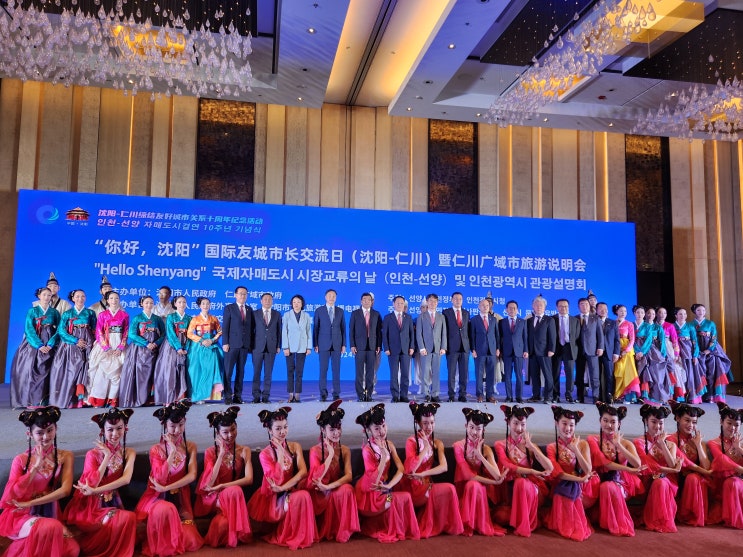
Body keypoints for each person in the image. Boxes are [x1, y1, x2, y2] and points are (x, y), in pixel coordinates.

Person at [0, 406, 79, 557]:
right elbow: (12, 494)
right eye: (39, 433)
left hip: (49, 509)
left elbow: (65, 490)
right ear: (29, 434)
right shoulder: (21, 460)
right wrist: (34, 469)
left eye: (50, 430)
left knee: (72, 550)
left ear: (56, 429)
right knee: (49, 529)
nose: (45, 436)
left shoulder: (65, 456)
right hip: (22, 512)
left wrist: (31, 502)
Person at [64, 408, 137, 557]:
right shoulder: (92, 454)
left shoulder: (129, 452)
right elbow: (92, 484)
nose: (115, 434)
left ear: (126, 428)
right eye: (110, 429)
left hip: (111, 500)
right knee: (124, 519)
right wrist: (106, 456)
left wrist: (95, 491)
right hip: (91, 505)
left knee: (128, 518)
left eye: (119, 428)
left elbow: (126, 479)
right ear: (103, 431)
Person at [135, 400, 203, 556]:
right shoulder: (156, 449)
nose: (177, 430)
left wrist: (168, 487)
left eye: (181, 425)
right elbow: (160, 478)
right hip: (158, 497)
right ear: (165, 425)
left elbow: (192, 475)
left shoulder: (190, 446)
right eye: (172, 426)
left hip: (179, 498)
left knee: (190, 538)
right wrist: (171, 453)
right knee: (165, 521)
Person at [247, 407, 317, 549]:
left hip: (287, 488)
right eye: (278, 429)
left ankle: (300, 535)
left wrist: (285, 487)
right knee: (301, 496)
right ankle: (289, 535)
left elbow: (303, 472)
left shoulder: (294, 446)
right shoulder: (264, 454)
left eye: (285, 427)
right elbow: (276, 481)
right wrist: (279, 454)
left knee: (304, 495)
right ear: (270, 430)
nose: (283, 432)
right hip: (273, 496)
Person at [354, 404, 420, 542]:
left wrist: (390, 485)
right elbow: (373, 480)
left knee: (404, 496)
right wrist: (383, 458)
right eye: (377, 428)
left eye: (383, 426)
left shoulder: (389, 444)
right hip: (371, 493)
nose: (382, 431)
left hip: (384, 487)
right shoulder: (368, 450)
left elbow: (401, 469)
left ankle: (403, 529)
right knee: (392, 499)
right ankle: (386, 527)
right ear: (369, 430)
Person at [399, 402, 463, 538]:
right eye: (425, 423)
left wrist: (423, 474)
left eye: (432, 423)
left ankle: (444, 524)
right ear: (418, 423)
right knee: (449, 489)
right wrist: (425, 449)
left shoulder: (437, 442)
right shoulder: (411, 441)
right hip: (412, 487)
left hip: (425, 483)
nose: (429, 427)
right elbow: (410, 469)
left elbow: (444, 467)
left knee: (450, 489)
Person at [195, 406, 253, 548]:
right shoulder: (211, 452)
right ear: (217, 433)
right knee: (235, 490)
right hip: (213, 495)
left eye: (233, 429)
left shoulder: (244, 450)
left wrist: (223, 486)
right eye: (225, 432)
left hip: (231, 493)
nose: (230, 435)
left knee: (233, 496)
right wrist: (220, 455)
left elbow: (249, 479)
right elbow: (209, 483)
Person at [585, 402, 643, 536]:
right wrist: (628, 469)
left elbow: (637, 463)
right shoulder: (593, 439)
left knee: (608, 487)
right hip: (597, 480)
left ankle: (615, 523)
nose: (609, 425)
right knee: (602, 486)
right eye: (605, 421)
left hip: (620, 481)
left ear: (619, 424)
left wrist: (619, 446)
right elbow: (604, 462)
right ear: (600, 421)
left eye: (613, 422)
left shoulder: (626, 443)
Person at [305, 400, 360, 542]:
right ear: (323, 430)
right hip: (319, 493)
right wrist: (329, 456)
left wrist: (329, 486)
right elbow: (316, 478)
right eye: (332, 429)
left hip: (331, 487)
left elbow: (349, 476)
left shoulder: (344, 450)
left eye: (339, 428)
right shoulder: (315, 451)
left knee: (348, 489)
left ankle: (343, 531)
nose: (336, 433)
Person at [493, 405, 552, 537]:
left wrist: (532, 447)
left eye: (523, 424)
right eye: (515, 423)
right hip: (510, 489)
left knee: (522, 483)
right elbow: (507, 465)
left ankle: (525, 523)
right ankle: (523, 518)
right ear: (508, 422)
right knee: (501, 517)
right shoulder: (500, 444)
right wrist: (532, 471)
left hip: (530, 487)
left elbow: (549, 467)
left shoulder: (529, 445)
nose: (519, 428)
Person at [451, 407, 504, 537]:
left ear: (483, 430)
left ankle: (476, 524)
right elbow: (468, 475)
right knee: (472, 484)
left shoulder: (486, 449)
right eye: (471, 427)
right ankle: (468, 524)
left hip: (481, 488)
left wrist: (481, 457)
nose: (474, 432)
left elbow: (497, 475)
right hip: (464, 488)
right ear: (466, 426)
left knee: (474, 485)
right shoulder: (459, 446)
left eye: (478, 429)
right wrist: (494, 482)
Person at [545, 406, 593, 541]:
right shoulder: (552, 447)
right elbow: (558, 473)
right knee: (563, 490)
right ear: (557, 423)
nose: (568, 428)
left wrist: (576, 450)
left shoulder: (582, 444)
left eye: (571, 425)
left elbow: (588, 470)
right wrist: (578, 480)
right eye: (564, 424)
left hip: (583, 484)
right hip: (564, 483)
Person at [633, 404, 681, 533]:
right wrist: (672, 470)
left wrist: (662, 445)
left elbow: (672, 464)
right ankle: (655, 520)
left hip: (667, 482)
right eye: (653, 422)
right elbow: (647, 465)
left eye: (661, 423)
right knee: (660, 481)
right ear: (646, 421)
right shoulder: (639, 442)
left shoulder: (670, 444)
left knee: (661, 482)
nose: (657, 426)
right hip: (646, 479)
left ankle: (660, 520)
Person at [10, 286, 61, 409]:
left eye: (49, 295)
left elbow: (59, 329)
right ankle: (28, 400)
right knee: (29, 368)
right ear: (39, 296)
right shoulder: (32, 311)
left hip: (50, 342)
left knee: (50, 370)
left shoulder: (54, 312)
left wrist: (50, 344)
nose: (46, 297)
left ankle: (46, 400)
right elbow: (29, 329)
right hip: (34, 342)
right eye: (44, 295)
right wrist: (39, 345)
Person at [667, 401, 712, 527]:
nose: (691, 425)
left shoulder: (698, 441)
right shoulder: (670, 439)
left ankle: (694, 514)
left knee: (694, 478)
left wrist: (698, 445)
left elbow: (706, 466)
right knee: (693, 477)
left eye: (694, 422)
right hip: (677, 477)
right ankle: (685, 513)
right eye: (687, 420)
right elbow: (682, 463)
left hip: (694, 479)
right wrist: (704, 471)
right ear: (677, 418)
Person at [49, 289, 96, 408]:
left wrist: (92, 343)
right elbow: (61, 331)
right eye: (77, 296)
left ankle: (81, 397)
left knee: (85, 369)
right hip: (71, 345)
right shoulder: (67, 314)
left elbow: (95, 329)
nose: (80, 299)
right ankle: (70, 398)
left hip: (87, 344)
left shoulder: (90, 313)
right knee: (71, 370)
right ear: (73, 298)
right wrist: (75, 341)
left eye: (83, 296)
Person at [119, 295, 166, 407]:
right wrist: (146, 343)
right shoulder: (137, 318)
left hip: (154, 350)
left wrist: (156, 343)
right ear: (141, 304)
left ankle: (151, 398)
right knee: (139, 374)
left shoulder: (157, 319)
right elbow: (132, 334)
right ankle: (139, 398)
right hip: (139, 350)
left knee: (153, 373)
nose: (149, 305)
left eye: (151, 303)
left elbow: (164, 334)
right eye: (146, 303)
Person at [87, 290, 129, 408]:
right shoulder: (102, 315)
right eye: (111, 298)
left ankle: (113, 400)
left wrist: (121, 347)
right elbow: (99, 331)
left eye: (116, 298)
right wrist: (106, 347)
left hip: (119, 344)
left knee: (117, 375)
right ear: (107, 300)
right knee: (101, 374)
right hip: (105, 345)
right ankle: (99, 400)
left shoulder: (124, 315)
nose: (114, 301)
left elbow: (126, 332)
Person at [707, 402, 743, 529]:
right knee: (731, 482)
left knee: (733, 482)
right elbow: (721, 459)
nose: (733, 428)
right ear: (721, 422)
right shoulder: (713, 443)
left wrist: (739, 449)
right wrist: (740, 469)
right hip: (723, 483)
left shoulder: (741, 443)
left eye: (736, 425)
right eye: (729, 423)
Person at [153, 295, 191, 405]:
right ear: (175, 304)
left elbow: (190, 334)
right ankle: (169, 397)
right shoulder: (171, 317)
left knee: (182, 370)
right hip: (171, 346)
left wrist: (186, 347)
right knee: (170, 370)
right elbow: (170, 333)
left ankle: (181, 396)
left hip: (185, 345)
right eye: (179, 302)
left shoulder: (189, 318)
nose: (182, 304)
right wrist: (178, 347)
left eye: (184, 302)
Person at [186, 297, 224, 403]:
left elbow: (220, 331)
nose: (206, 306)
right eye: (203, 304)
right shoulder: (195, 319)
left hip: (211, 345)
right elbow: (189, 333)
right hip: (198, 346)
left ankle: (210, 395)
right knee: (197, 370)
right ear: (199, 305)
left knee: (211, 369)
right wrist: (202, 340)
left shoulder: (214, 318)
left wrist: (212, 340)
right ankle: (198, 395)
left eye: (207, 304)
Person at [692, 303, 731, 402]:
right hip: (697, 350)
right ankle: (700, 395)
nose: (701, 312)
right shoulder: (691, 324)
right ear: (694, 312)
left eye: (703, 310)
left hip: (711, 350)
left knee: (712, 372)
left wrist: (709, 350)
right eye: (698, 310)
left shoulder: (710, 323)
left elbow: (714, 337)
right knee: (699, 373)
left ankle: (712, 395)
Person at [221, 286, 253, 404]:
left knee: (241, 372)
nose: (243, 296)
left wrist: (250, 344)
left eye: (245, 294)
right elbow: (225, 327)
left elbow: (251, 329)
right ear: (235, 295)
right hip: (231, 345)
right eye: (240, 293)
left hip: (244, 346)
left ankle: (238, 396)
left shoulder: (249, 309)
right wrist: (225, 342)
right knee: (228, 372)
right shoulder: (229, 308)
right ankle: (227, 396)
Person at [313, 289, 346, 402]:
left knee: (336, 370)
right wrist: (315, 344)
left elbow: (343, 329)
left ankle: (336, 393)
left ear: (336, 298)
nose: (331, 298)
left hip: (337, 344)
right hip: (323, 344)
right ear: (325, 297)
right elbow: (316, 328)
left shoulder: (340, 311)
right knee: (323, 370)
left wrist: (343, 344)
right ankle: (323, 393)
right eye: (329, 295)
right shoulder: (319, 310)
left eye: (333, 296)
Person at [349, 292, 382, 402]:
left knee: (370, 373)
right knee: (359, 373)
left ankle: (369, 395)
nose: (366, 301)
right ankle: (360, 395)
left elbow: (379, 331)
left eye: (368, 299)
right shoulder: (355, 313)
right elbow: (351, 330)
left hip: (372, 346)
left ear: (372, 302)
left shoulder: (376, 314)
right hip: (359, 347)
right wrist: (352, 345)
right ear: (361, 301)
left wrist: (378, 345)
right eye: (364, 299)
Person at [381, 295, 415, 403]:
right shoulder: (388, 317)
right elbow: (384, 334)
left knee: (405, 374)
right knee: (394, 374)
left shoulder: (408, 317)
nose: (400, 305)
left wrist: (412, 347)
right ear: (393, 304)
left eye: (401, 303)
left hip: (406, 350)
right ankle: (395, 395)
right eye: (398, 303)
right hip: (392, 350)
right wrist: (386, 348)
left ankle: (404, 395)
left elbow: (411, 334)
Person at [415, 294, 447, 402]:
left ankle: (435, 394)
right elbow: (419, 334)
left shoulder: (441, 317)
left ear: (437, 303)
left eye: (434, 301)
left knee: (436, 373)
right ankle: (426, 394)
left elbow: (444, 333)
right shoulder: (421, 316)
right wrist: (421, 348)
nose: (432, 303)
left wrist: (443, 347)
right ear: (427, 302)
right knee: (425, 373)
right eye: (430, 301)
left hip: (438, 349)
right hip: (426, 349)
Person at [635, 306, 670, 403]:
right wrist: (638, 351)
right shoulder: (640, 325)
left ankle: (657, 396)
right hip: (641, 349)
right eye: (649, 313)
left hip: (654, 352)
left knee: (656, 374)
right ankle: (643, 395)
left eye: (653, 314)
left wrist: (662, 354)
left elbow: (662, 342)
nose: (651, 315)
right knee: (643, 372)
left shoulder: (658, 327)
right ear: (645, 314)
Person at [252, 293, 282, 403]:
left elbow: (279, 331)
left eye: (270, 299)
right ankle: (256, 396)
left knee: (268, 374)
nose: (267, 301)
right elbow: (251, 331)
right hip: (257, 347)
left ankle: (266, 396)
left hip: (271, 347)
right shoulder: (255, 314)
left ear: (272, 301)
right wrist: (251, 346)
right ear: (261, 301)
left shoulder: (277, 314)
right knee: (256, 373)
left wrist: (278, 345)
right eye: (265, 299)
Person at [282, 294, 312, 403]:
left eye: (298, 302)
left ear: (302, 304)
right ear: (291, 303)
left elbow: (308, 331)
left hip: (302, 346)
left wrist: (309, 347)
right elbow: (284, 331)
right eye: (294, 302)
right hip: (290, 346)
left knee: (299, 371)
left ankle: (298, 394)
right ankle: (290, 394)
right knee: (290, 370)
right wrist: (285, 347)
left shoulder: (306, 316)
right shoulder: (287, 315)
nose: (296, 304)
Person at [575, 297, 605, 404]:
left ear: (589, 306)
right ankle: (580, 396)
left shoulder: (595, 318)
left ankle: (596, 396)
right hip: (578, 351)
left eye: (586, 304)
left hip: (593, 350)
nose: (584, 306)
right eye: (582, 304)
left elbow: (600, 335)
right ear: (579, 306)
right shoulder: (575, 318)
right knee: (579, 375)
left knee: (594, 375)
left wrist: (600, 347)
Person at [526, 295, 555, 404]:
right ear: (533, 306)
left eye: (541, 305)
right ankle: (536, 395)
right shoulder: (529, 320)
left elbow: (552, 336)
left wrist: (551, 349)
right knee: (534, 375)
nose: (538, 307)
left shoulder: (549, 320)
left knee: (548, 375)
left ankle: (548, 396)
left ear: (545, 307)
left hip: (545, 352)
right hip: (532, 352)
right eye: (536, 305)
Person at [673, 307, 706, 403]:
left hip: (688, 351)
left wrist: (695, 355)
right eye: (680, 314)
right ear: (676, 315)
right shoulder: (672, 326)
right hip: (676, 351)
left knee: (689, 375)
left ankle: (691, 396)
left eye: (684, 314)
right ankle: (680, 395)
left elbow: (695, 342)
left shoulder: (690, 326)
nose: (683, 316)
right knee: (678, 374)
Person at [469, 298, 499, 403]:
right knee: (479, 374)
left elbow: (497, 335)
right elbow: (472, 336)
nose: (485, 307)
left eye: (487, 305)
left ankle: (490, 395)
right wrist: (473, 349)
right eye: (483, 305)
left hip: (492, 350)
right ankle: (479, 395)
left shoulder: (493, 319)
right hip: (479, 350)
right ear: (479, 307)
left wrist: (498, 348)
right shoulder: (474, 320)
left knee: (491, 374)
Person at [442, 291, 470, 402]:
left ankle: (462, 394)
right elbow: (444, 331)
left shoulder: (466, 313)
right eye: (456, 299)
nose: (458, 301)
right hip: (451, 347)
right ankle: (451, 395)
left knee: (464, 373)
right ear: (451, 300)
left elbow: (468, 330)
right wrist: (444, 346)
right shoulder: (446, 312)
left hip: (464, 347)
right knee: (451, 373)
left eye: (460, 299)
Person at [499, 299, 528, 403]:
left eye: (514, 308)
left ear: (517, 310)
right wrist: (499, 350)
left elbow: (525, 337)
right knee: (507, 376)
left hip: (519, 352)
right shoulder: (502, 322)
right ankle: (509, 396)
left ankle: (519, 397)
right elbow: (499, 337)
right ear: (506, 310)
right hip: (506, 352)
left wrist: (526, 350)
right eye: (510, 308)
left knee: (519, 376)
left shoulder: (522, 322)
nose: (512, 310)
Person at [552, 298, 580, 404]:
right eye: (561, 306)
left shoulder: (575, 320)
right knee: (555, 372)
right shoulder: (552, 319)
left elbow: (577, 336)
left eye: (566, 306)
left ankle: (569, 394)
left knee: (570, 373)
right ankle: (556, 395)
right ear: (557, 307)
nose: (563, 308)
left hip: (569, 348)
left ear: (568, 307)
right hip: (556, 348)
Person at [612, 304, 640, 403]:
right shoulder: (612, 323)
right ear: (616, 312)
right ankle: (618, 395)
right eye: (621, 311)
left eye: (625, 311)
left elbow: (632, 339)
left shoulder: (629, 324)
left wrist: (626, 350)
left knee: (627, 373)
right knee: (618, 372)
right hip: (615, 349)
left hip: (626, 351)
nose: (623, 313)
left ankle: (628, 397)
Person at [657, 307, 686, 402]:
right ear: (656, 314)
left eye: (664, 313)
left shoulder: (669, 326)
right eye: (660, 312)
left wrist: (676, 354)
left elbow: (674, 340)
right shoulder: (653, 325)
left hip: (668, 349)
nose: (662, 315)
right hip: (656, 348)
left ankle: (672, 394)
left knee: (673, 370)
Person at [595, 301, 620, 403]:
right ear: (596, 310)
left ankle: (609, 396)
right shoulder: (593, 321)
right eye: (601, 308)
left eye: (605, 309)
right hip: (595, 352)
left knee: (609, 375)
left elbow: (617, 339)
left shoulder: (613, 322)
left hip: (609, 352)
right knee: (596, 375)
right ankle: (598, 396)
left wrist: (616, 353)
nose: (603, 310)